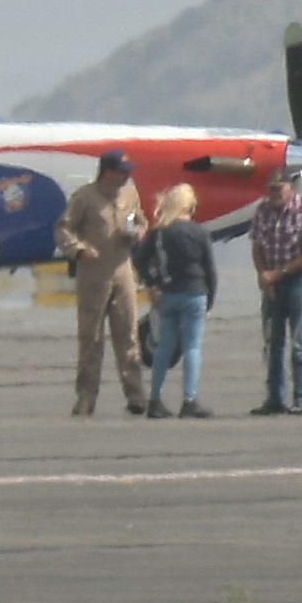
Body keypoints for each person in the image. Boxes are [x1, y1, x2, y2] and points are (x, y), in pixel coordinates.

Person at [53, 151, 151, 417]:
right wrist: (78, 249)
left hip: (123, 270)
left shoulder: (129, 193)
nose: (126, 174)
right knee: (91, 338)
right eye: (122, 170)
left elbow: (141, 218)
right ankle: (86, 397)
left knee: (128, 335)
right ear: (107, 171)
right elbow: (63, 229)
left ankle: (135, 394)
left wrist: (140, 230)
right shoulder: (85, 197)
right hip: (93, 274)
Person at [245, 164, 302, 415]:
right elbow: (257, 246)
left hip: (298, 281)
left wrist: (278, 273)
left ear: (290, 188)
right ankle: (274, 398)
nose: (275, 193)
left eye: (279, 188)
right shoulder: (262, 211)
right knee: (273, 342)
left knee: (299, 342)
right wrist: (263, 276)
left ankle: (301, 399)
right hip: (272, 283)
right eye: (271, 189)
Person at [139, 183, 217, 418]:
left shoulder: (159, 232)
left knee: (165, 346)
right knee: (192, 346)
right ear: (190, 206)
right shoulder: (199, 232)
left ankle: (154, 399)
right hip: (194, 292)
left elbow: (140, 259)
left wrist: (152, 283)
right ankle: (189, 400)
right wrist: (210, 299)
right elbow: (210, 270)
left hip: (168, 293)